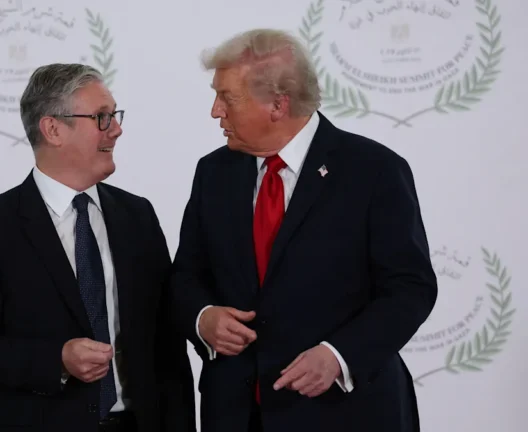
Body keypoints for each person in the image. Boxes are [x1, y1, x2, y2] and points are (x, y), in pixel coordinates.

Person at [170, 29, 438, 432]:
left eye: (228, 97)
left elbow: (410, 288)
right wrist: (203, 318)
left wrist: (339, 356)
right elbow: (186, 275)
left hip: (346, 414)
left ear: (278, 104)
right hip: (237, 414)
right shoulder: (213, 173)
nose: (215, 111)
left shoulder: (373, 171)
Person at [0, 63, 196, 432]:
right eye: (102, 118)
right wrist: (56, 360)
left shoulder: (136, 215)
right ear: (54, 129)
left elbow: (168, 347)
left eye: (115, 116)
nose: (118, 129)